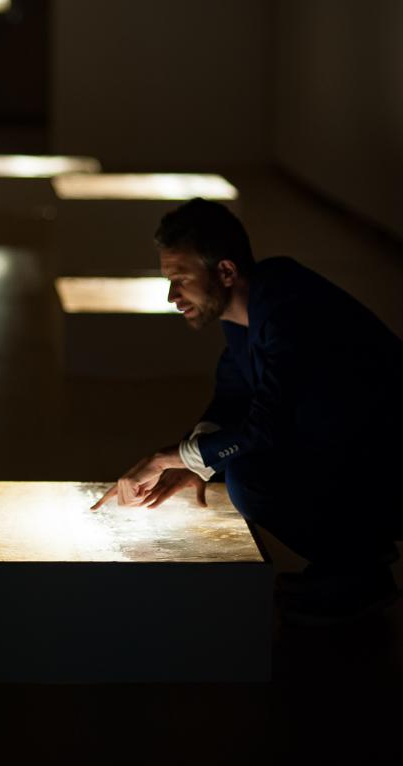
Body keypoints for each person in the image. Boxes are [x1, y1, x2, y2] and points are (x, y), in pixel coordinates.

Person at [92, 198, 403, 625]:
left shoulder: (288, 311)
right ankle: (351, 564)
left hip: (387, 459)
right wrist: (193, 463)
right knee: (230, 463)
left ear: (225, 272)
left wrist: (170, 458)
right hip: (353, 445)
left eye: (181, 280)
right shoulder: (252, 308)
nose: (172, 296)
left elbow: (265, 427)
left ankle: (358, 572)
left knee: (251, 477)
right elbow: (231, 397)